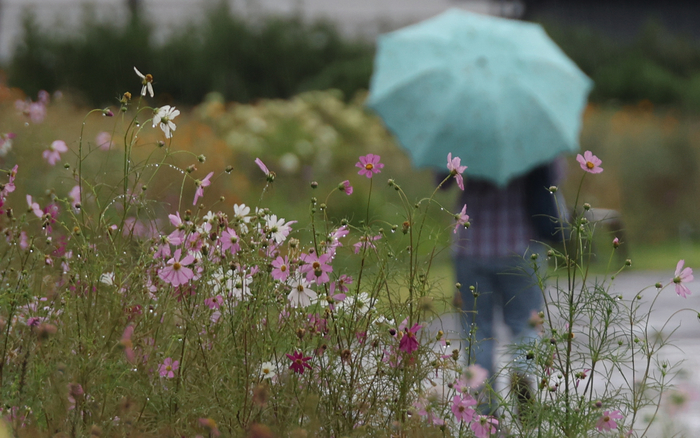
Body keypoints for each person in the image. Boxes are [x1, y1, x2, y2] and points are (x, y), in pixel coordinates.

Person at [453, 161, 566, 414]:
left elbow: (443, 177)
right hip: (521, 245)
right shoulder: (534, 136)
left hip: (471, 247)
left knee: (477, 331)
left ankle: (484, 408)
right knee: (524, 323)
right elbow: (554, 180)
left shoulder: (466, 133)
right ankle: (522, 373)